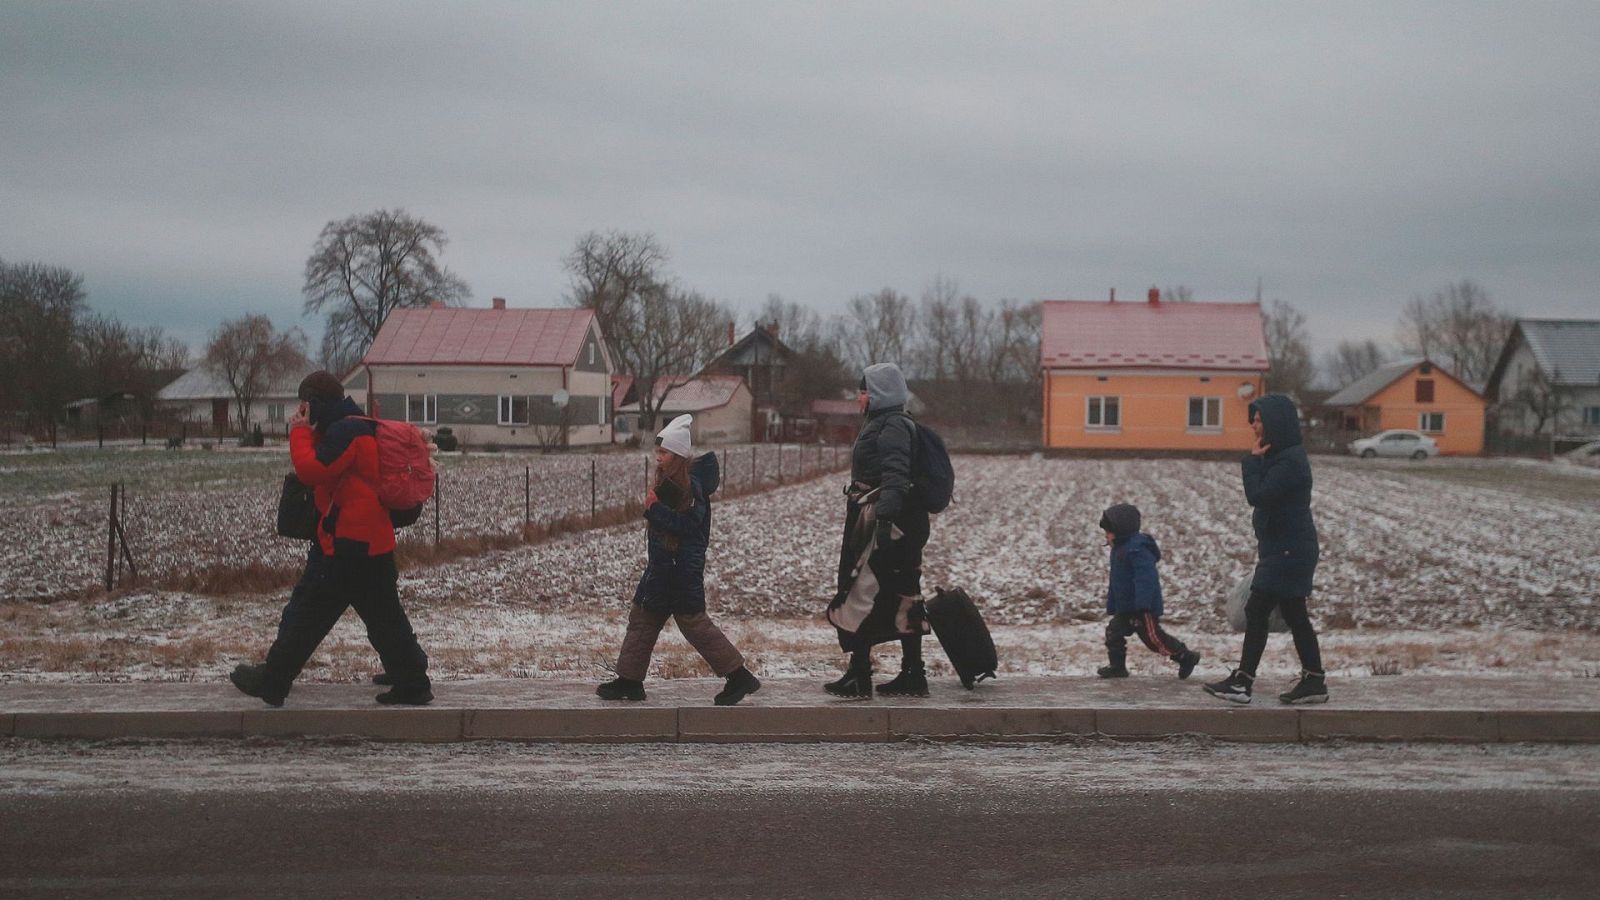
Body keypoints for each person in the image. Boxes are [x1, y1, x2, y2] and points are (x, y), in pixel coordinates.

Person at [229, 372, 432, 707]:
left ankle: (273, 680)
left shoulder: (346, 431)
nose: (301, 411)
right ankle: (412, 679)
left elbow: (312, 471)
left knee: (310, 612)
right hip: (370, 541)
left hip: (347, 544)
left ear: (317, 402)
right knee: (384, 615)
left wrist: (297, 434)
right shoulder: (353, 425)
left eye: (305, 405)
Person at [596, 415, 761, 706]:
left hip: (679, 570)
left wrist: (653, 509)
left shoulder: (690, 487)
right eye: (658, 452)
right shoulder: (673, 481)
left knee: (694, 625)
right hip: (663, 568)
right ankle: (629, 681)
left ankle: (739, 677)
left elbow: (688, 526)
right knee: (642, 618)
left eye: (664, 453)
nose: (658, 458)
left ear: (679, 455)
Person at [1204, 393, 1328, 705]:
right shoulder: (1283, 457)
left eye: (1258, 420)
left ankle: (1243, 682)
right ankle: (1314, 680)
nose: (1254, 426)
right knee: (1295, 614)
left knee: (1257, 609)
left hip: (1288, 551)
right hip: (1286, 549)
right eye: (1253, 420)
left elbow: (1258, 495)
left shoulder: (1290, 462)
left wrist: (1252, 461)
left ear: (1275, 423)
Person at [824, 363, 931, 699]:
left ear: (879, 393)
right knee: (886, 592)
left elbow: (896, 475)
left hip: (888, 523)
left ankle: (874, 674)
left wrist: (884, 521)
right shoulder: (883, 422)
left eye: (865, 390)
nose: (860, 397)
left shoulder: (893, 425)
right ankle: (897, 672)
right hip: (883, 519)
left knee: (869, 591)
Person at [1096, 503, 1201, 679]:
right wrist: (1113, 604)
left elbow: (1146, 579)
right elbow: (1117, 582)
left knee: (1153, 639)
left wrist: (1143, 604)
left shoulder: (1137, 549)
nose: (1106, 537)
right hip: (1126, 607)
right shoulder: (1119, 550)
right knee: (1113, 632)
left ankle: (1184, 656)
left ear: (1120, 530)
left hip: (1142, 607)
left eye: (1108, 532)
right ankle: (1117, 666)